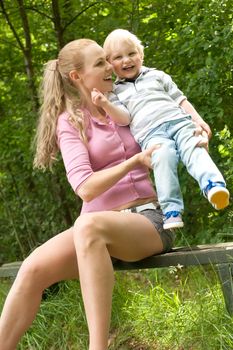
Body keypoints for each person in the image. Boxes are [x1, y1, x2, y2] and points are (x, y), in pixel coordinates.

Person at [0, 38, 179, 350]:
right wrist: (133, 161)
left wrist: (195, 130)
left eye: (107, 60)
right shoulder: (70, 122)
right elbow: (85, 188)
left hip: (147, 219)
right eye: (100, 63)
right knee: (32, 268)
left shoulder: (128, 101)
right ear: (76, 76)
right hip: (92, 230)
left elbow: (171, 119)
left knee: (88, 226)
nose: (111, 67)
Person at [91, 28, 230, 230]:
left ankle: (213, 185)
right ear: (110, 65)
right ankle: (171, 210)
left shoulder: (157, 75)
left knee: (194, 147)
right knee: (162, 159)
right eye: (118, 57)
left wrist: (198, 121)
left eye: (131, 53)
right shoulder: (115, 92)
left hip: (179, 122)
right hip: (151, 135)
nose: (126, 60)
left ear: (141, 55)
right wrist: (105, 104)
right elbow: (124, 118)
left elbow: (180, 100)